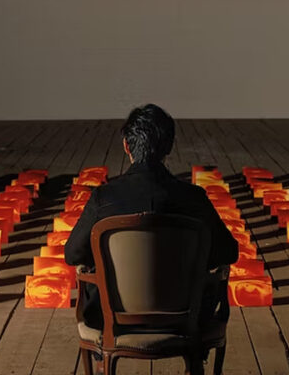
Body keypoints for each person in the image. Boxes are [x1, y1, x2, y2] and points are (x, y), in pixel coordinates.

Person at [65, 104, 240, 332]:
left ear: (126, 145)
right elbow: (228, 252)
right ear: (169, 146)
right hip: (187, 318)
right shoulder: (194, 198)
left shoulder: (102, 198)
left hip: (111, 319)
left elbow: (73, 254)